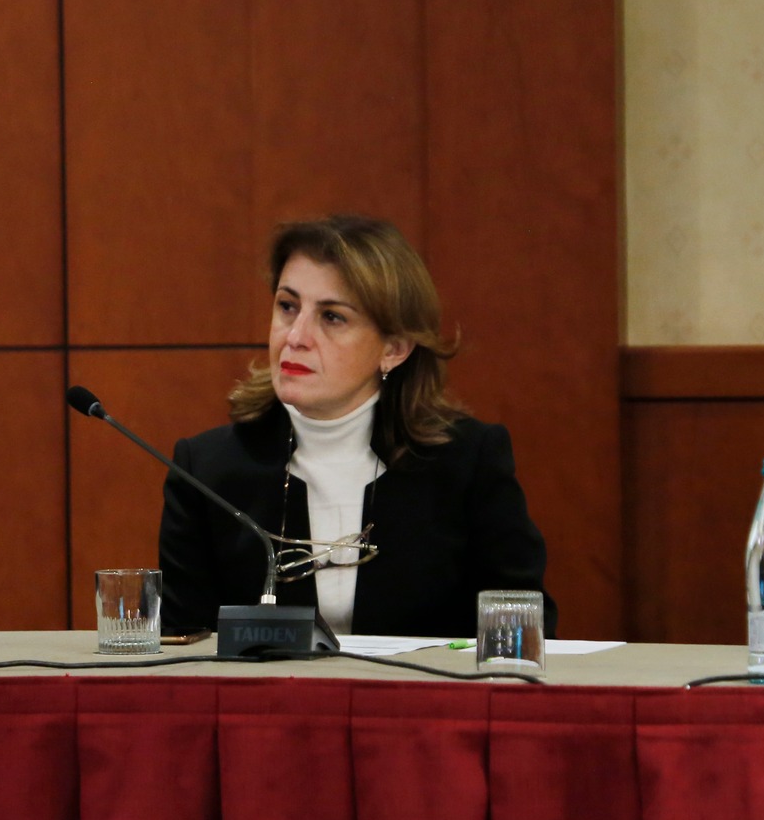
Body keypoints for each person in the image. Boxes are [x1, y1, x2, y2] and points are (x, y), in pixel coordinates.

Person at [158, 214, 552, 638]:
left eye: (332, 317)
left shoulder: (466, 461)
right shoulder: (206, 471)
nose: (296, 336)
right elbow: (183, 643)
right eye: (288, 307)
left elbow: (523, 629)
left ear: (394, 348)